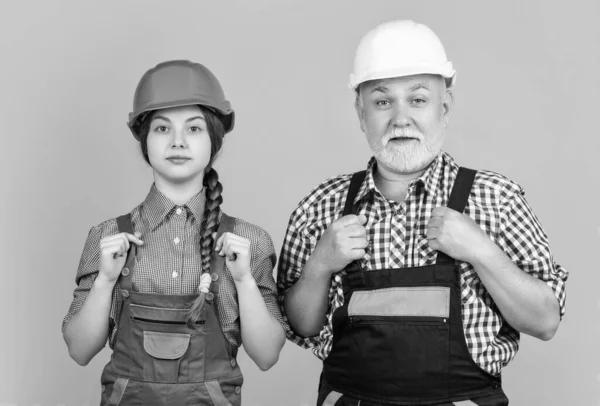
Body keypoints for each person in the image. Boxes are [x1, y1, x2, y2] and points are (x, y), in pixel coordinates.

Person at [277, 20, 567, 406]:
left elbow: (545, 322)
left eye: (417, 100)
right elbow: (300, 324)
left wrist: (481, 250)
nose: (400, 119)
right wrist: (320, 264)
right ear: (361, 113)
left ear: (444, 107)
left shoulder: (495, 198)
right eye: (382, 102)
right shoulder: (322, 205)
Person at [62, 60, 286, 405]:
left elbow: (267, 355)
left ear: (214, 139)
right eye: (163, 129)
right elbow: (79, 350)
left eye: (194, 129)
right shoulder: (109, 238)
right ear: (145, 141)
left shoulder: (248, 241)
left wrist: (244, 280)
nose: (178, 142)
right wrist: (106, 280)